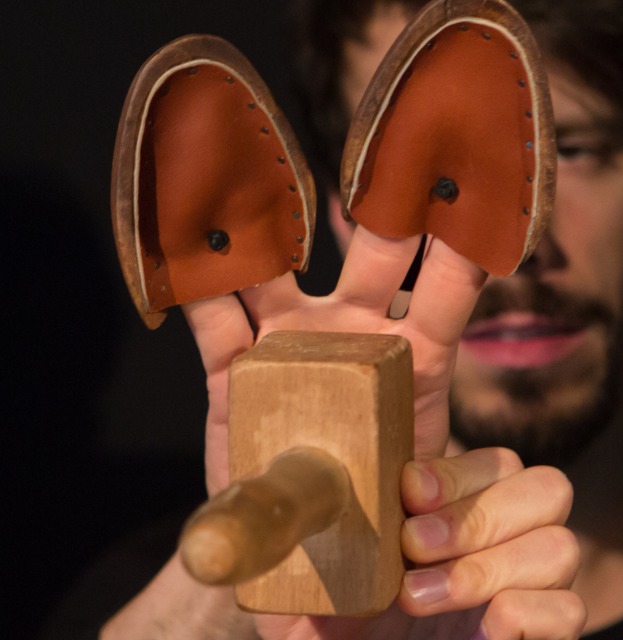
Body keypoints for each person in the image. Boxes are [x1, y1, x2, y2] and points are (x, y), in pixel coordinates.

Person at [96, 2, 593, 639]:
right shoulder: (135, 593)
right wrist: (256, 593)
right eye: (415, 168)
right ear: (336, 203)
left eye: (576, 150)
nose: (534, 255)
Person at [289, 0, 623, 637]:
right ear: (341, 214)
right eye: (436, 170)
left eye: (574, 151)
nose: (521, 252)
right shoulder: (177, 610)